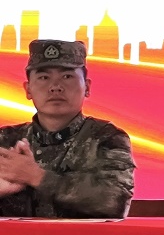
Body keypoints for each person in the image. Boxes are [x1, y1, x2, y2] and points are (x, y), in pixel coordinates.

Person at [0, 40, 135, 218]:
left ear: (87, 87)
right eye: (44, 78)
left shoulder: (107, 138)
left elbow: (114, 203)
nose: (55, 87)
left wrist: (37, 176)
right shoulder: (6, 140)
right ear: (28, 90)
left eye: (67, 76)